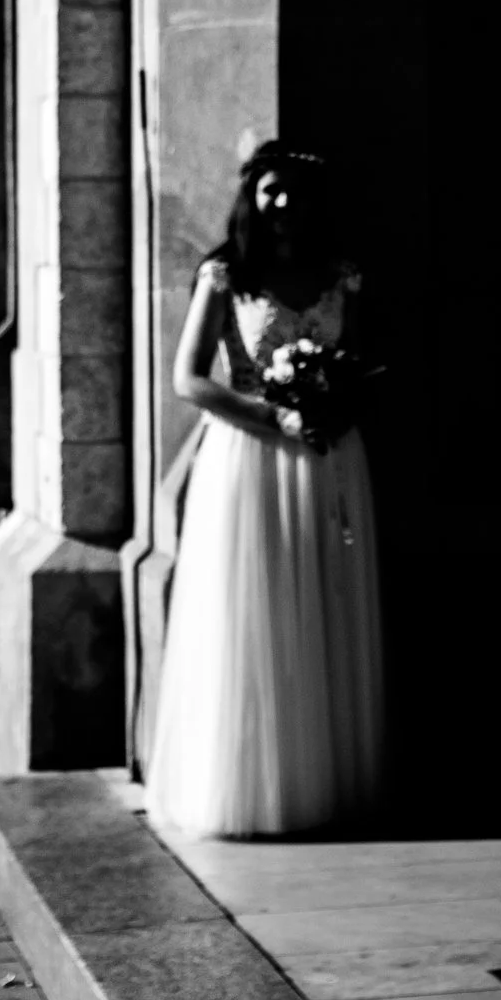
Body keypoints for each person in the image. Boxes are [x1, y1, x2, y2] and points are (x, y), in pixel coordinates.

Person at [145, 142, 384, 839]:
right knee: (261, 611)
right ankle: (258, 789)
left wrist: (336, 406)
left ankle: (331, 782)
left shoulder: (343, 276)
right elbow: (189, 377)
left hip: (331, 456)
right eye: (271, 191)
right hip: (249, 459)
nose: (283, 205)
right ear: (253, 196)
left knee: (330, 607)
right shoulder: (226, 275)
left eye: (296, 193)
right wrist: (274, 414)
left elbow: (364, 365)